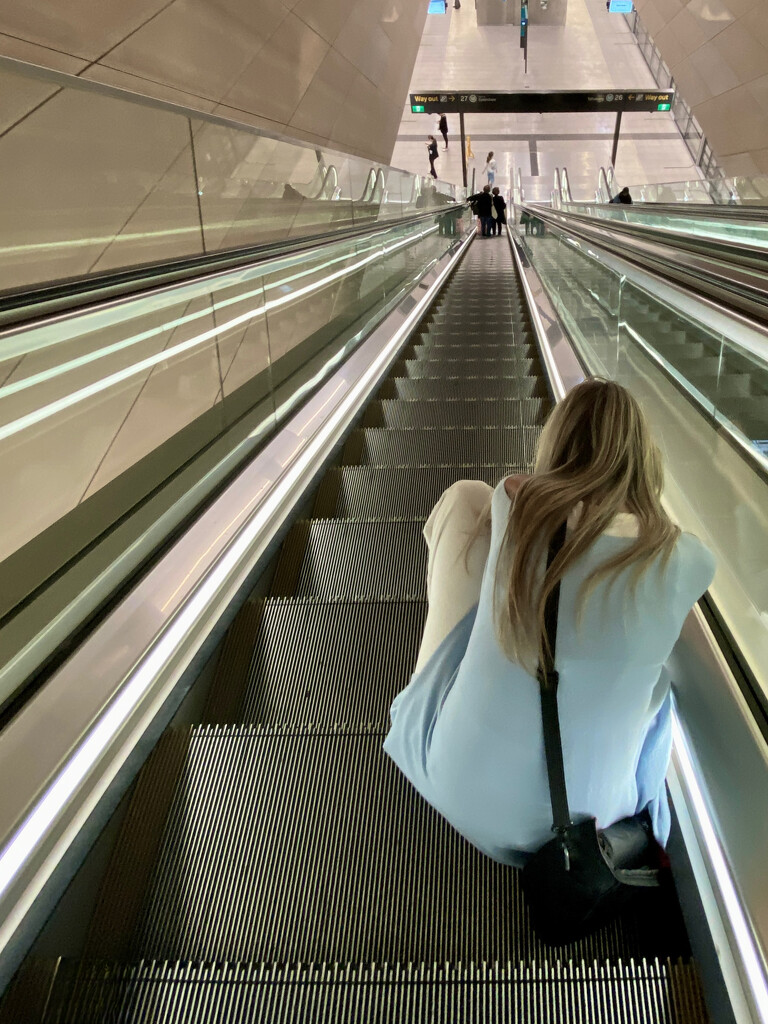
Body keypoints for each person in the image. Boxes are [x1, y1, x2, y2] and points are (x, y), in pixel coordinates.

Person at [383, 379, 715, 868]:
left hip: (459, 789)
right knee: (657, 685)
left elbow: (521, 496)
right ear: (644, 458)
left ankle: (454, 678)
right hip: (595, 831)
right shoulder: (690, 560)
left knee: (464, 499)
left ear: (555, 440)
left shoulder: (512, 500)